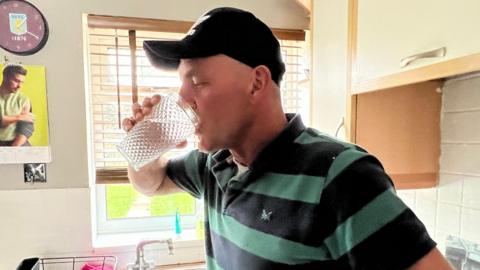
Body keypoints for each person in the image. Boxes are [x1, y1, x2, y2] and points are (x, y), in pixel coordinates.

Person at [123, 7, 453, 269]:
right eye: (181, 83)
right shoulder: (213, 164)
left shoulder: (341, 176)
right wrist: (148, 145)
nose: (181, 97)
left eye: (198, 81)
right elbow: (149, 185)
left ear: (256, 82)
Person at [0, 64, 34, 146]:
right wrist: (19, 117)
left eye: (22, 82)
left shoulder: (24, 100)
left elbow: (26, 128)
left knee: (37, 157)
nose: (19, 86)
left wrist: (13, 149)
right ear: (5, 77)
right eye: (16, 81)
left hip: (16, 143)